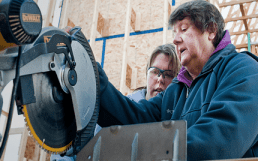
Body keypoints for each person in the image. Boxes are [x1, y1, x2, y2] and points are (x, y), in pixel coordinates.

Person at [97, 0, 258, 160]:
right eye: (174, 33)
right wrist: (96, 83)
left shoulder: (243, 70)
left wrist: (151, 152)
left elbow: (217, 142)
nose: (175, 40)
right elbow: (135, 118)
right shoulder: (176, 90)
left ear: (211, 30)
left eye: (183, 29)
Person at [51, 43, 180, 161]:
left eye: (168, 74)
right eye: (155, 71)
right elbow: (79, 146)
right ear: (146, 75)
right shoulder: (117, 110)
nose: (160, 79)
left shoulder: (177, 117)